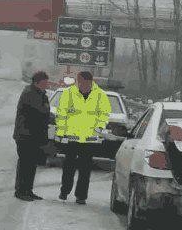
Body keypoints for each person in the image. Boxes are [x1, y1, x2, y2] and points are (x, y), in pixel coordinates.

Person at [55, 71, 111, 204]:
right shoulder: (68, 94)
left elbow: (104, 114)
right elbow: (61, 114)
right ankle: (65, 191)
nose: (82, 85)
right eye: (79, 82)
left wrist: (98, 129)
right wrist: (61, 134)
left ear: (90, 82)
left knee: (85, 170)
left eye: (84, 83)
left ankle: (81, 196)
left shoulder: (100, 95)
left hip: (89, 139)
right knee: (68, 167)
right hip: (72, 138)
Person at [13, 71, 51, 201]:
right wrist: (49, 113)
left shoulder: (40, 94)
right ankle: (21, 191)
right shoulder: (30, 93)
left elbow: (45, 111)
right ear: (37, 82)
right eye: (45, 82)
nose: (47, 84)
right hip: (26, 135)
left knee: (32, 164)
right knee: (25, 164)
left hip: (34, 136)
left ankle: (28, 190)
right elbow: (41, 111)